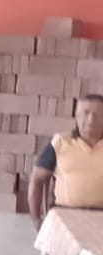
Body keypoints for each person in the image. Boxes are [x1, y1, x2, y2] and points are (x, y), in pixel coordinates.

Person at [29, 94, 103, 227]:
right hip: (64, 216)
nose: (91, 120)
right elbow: (37, 179)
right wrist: (36, 219)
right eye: (86, 113)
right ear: (77, 116)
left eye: (98, 114)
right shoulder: (60, 142)